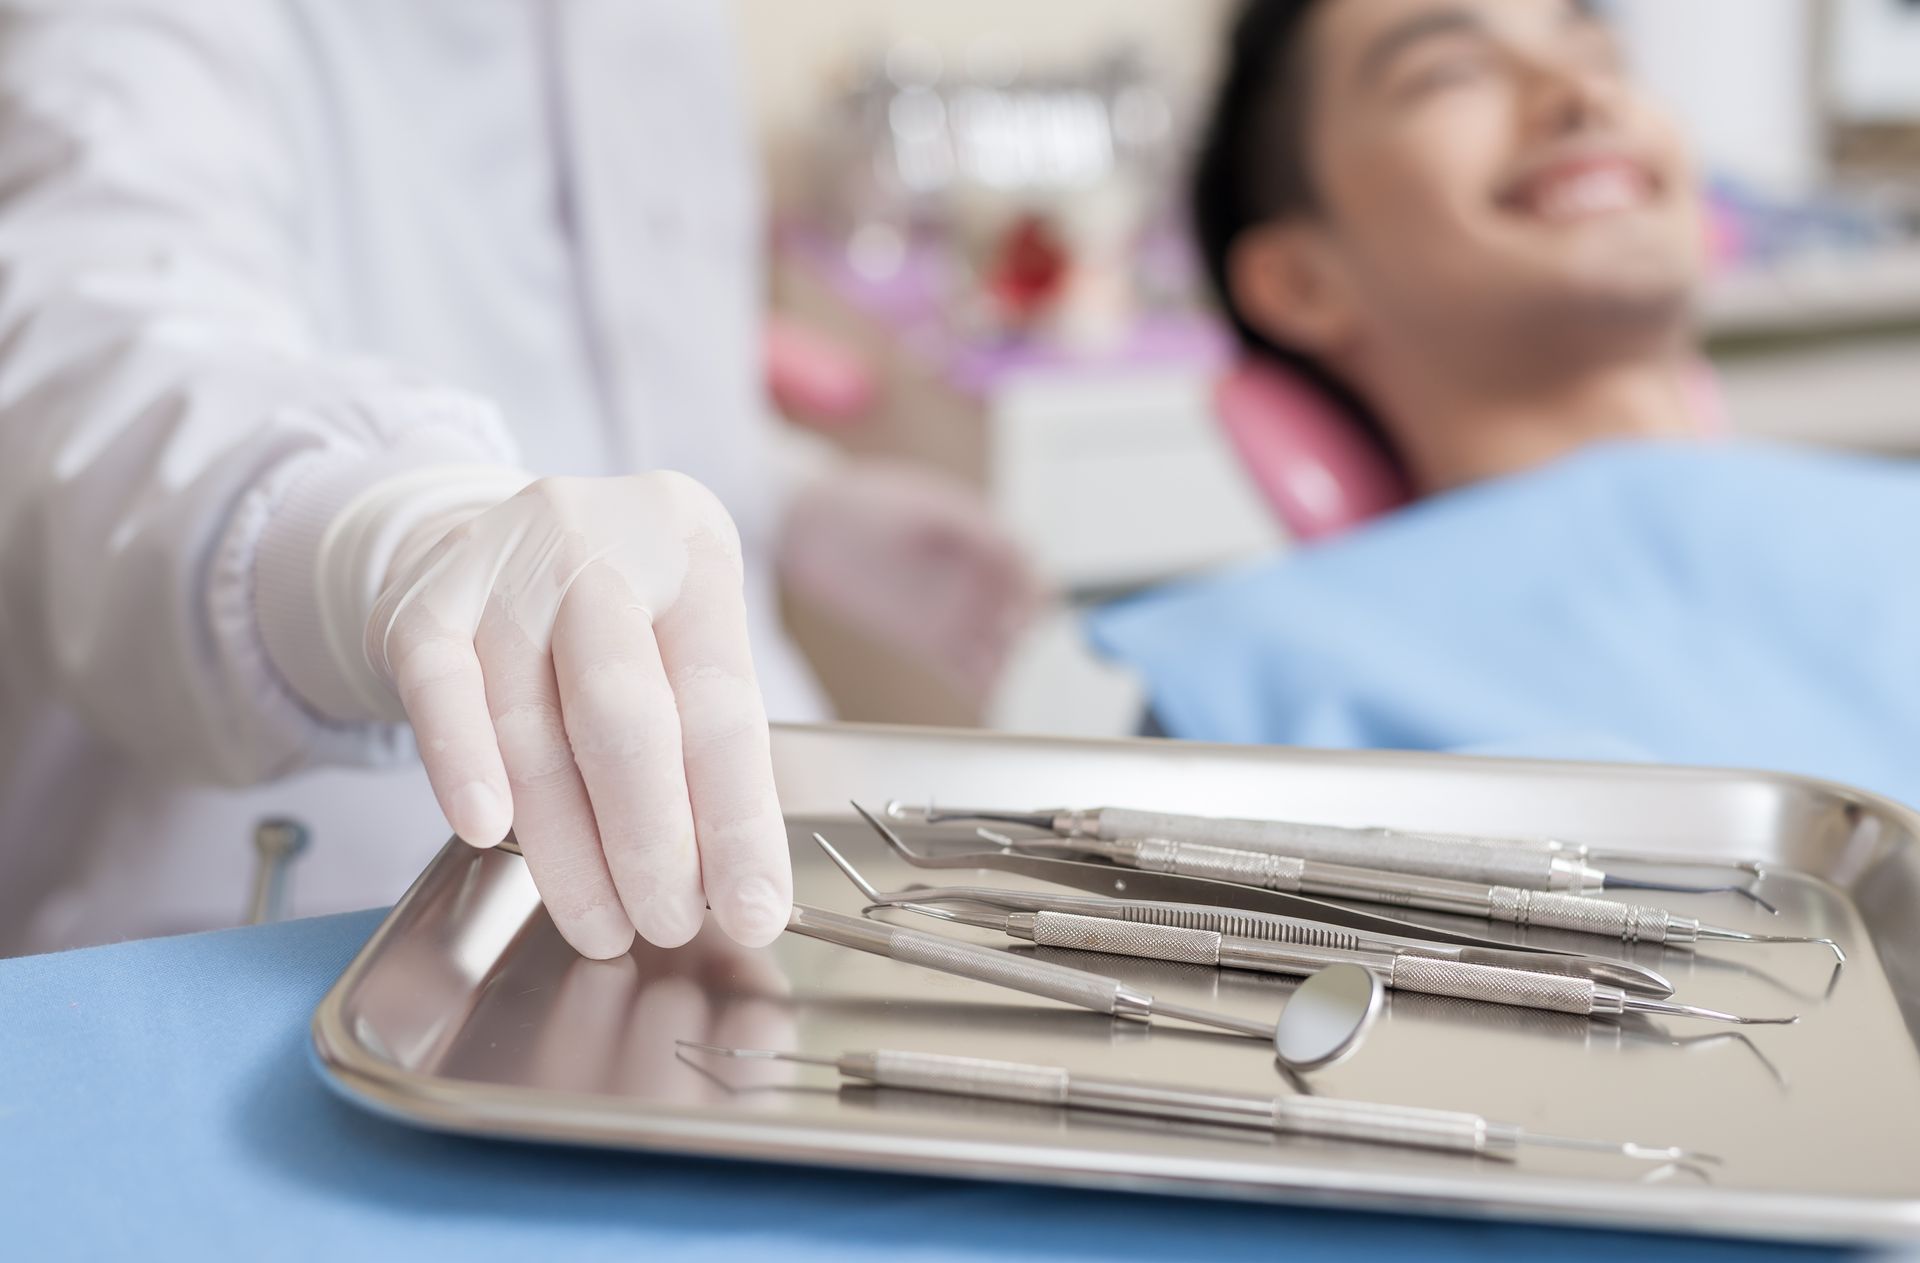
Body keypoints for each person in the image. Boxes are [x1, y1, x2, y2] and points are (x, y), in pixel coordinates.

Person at [0, 1, 1035, 957]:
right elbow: (109, 364)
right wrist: (398, 535)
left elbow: (599, 356)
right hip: (301, 897)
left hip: (713, 858)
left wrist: (787, 497)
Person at [1092, 0, 1920, 805]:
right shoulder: (1254, 692)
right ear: (1302, 281)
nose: (1583, 95)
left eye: (1598, 54)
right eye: (1450, 72)